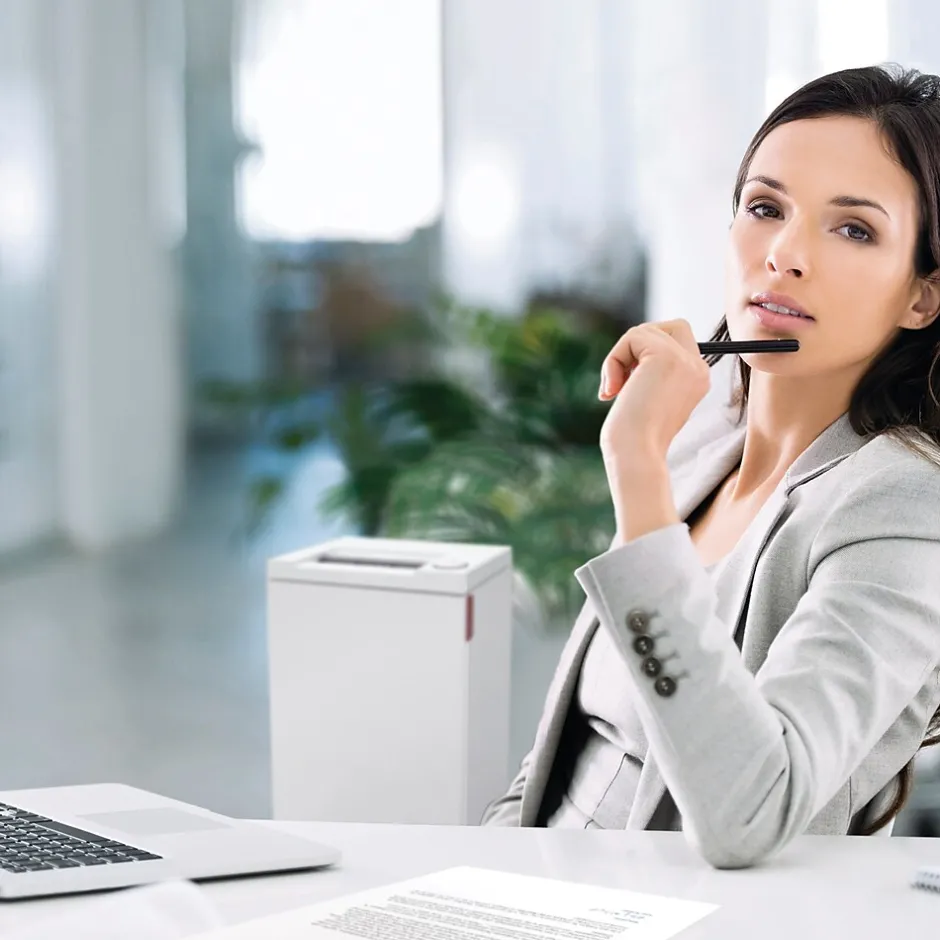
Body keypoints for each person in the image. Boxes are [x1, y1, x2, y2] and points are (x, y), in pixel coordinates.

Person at [480, 64, 940, 869]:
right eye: (765, 208)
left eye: (853, 229)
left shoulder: (905, 503)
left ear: (923, 298)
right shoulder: (704, 445)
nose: (785, 254)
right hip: (537, 895)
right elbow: (567, 756)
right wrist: (476, 868)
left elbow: (751, 813)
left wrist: (635, 468)